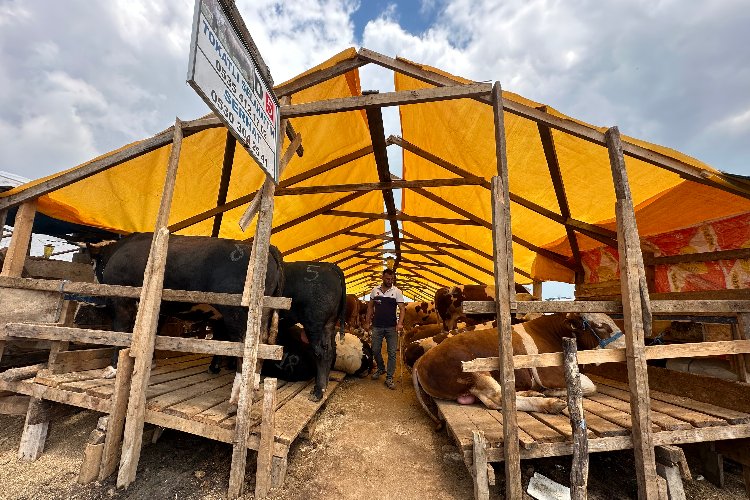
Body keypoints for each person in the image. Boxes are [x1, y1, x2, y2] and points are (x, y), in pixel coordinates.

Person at [364, 268, 405, 390]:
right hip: (377, 326)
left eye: (392, 279)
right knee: (375, 350)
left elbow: (402, 308)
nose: (390, 281)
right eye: (388, 278)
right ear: (382, 277)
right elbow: (370, 307)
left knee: (392, 353)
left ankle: (389, 377)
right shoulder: (374, 291)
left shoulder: (397, 291)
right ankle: (381, 368)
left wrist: (400, 323)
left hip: (391, 327)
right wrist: (367, 322)